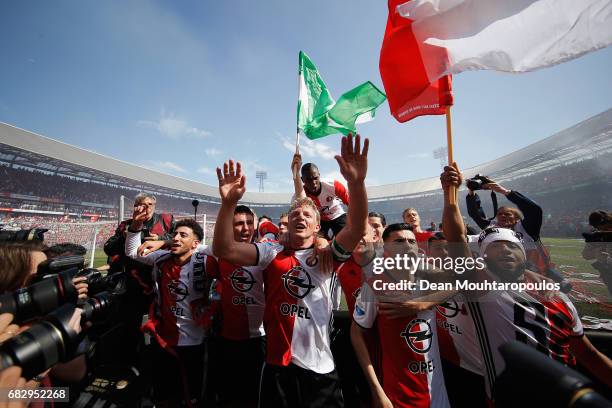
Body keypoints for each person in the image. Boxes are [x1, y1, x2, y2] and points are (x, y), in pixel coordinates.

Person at [213, 134, 369, 408]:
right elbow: (225, 249)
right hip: (276, 367)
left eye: (308, 214)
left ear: (318, 226)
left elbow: (356, 227)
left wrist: (356, 183)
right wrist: (227, 205)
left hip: (320, 370)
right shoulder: (270, 252)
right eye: (295, 213)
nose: (300, 216)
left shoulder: (327, 256)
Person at [441, 163, 612, 401]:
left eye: (512, 247)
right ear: (484, 258)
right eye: (497, 248)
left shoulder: (558, 298)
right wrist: (450, 192)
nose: (507, 251)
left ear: (523, 252)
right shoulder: (481, 287)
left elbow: (589, 355)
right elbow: (456, 238)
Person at [350, 223, 451, 408]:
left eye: (411, 241)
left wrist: (421, 304)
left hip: (436, 391)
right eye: (399, 241)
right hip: (398, 394)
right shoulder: (374, 286)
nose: (407, 245)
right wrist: (376, 390)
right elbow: (356, 334)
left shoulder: (428, 276)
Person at [125, 214, 216, 407]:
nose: (176, 238)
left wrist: (163, 242)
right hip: (164, 340)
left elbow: (220, 250)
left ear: (195, 243)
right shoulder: (161, 259)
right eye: (174, 234)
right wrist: (136, 225)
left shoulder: (205, 260)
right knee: (164, 395)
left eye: (183, 235)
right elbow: (132, 252)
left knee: (191, 397)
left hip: (195, 342)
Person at [103, 192, 175, 366]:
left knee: (159, 327)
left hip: (160, 284)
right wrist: (131, 230)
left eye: (150, 204)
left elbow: (182, 239)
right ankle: (129, 365)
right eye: (142, 204)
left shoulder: (166, 220)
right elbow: (109, 248)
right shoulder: (126, 225)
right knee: (130, 327)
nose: (146, 208)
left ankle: (156, 363)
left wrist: (162, 240)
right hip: (132, 285)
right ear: (135, 207)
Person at [291, 152, 350, 239]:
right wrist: (295, 171)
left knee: (347, 239)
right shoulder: (298, 195)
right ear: (302, 180)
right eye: (308, 180)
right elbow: (293, 214)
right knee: (317, 243)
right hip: (319, 221)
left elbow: (351, 203)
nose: (313, 183)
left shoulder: (333, 185)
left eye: (315, 178)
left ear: (319, 175)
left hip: (337, 215)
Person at [582, 210, 612, 295]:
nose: (603, 230)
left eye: (605, 228)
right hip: (608, 269)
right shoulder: (598, 235)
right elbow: (585, 254)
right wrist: (596, 252)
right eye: (599, 228)